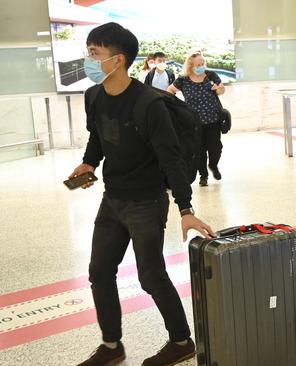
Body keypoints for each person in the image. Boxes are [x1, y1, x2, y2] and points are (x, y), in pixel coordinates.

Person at [70, 22, 214, 366]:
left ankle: (181, 342)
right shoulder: (94, 96)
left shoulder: (149, 103)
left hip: (146, 202)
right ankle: (111, 346)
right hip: (112, 198)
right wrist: (88, 164)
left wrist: (185, 208)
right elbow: (98, 138)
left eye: (94, 54)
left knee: (150, 275)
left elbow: (171, 159)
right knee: (99, 271)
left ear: (118, 60)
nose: (88, 60)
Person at [167, 52, 225, 186]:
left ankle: (213, 165)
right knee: (199, 150)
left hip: (213, 119)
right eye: (198, 65)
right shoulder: (183, 79)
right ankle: (203, 176)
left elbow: (222, 90)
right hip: (194, 122)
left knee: (215, 147)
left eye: (202, 64)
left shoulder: (210, 75)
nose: (201, 66)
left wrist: (218, 89)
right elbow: (170, 90)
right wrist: (176, 106)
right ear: (191, 66)